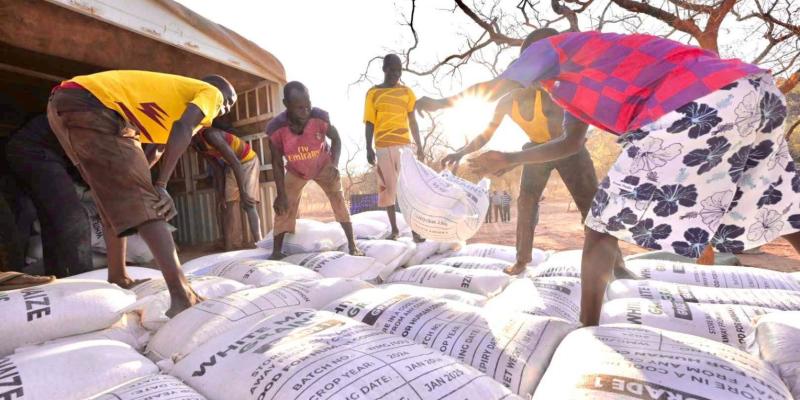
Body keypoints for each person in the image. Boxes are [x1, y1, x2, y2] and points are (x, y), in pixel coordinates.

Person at [417, 29, 800, 326]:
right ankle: (582, 292)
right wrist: (512, 158)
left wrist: (440, 103)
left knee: (601, 220)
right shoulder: (582, 76)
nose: (533, 80)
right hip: (755, 91)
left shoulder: (553, 48)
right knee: (780, 206)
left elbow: (501, 86)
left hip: (699, 99)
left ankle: (587, 328)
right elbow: (569, 143)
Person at [47, 70, 237, 317]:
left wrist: (139, 185)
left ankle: (118, 276)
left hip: (63, 106)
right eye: (229, 99)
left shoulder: (167, 108)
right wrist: (158, 186)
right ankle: (183, 295)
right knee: (148, 202)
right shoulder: (208, 94)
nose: (227, 107)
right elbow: (182, 128)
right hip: (92, 104)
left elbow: (156, 150)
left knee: (112, 198)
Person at [442, 30, 598, 274]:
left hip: (567, 149)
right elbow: (485, 135)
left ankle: (613, 263)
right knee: (526, 201)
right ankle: (522, 259)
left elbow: (566, 141)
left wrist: (512, 160)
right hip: (536, 149)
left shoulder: (553, 95)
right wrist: (461, 151)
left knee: (591, 206)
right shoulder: (506, 102)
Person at [267, 81, 362, 260]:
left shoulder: (319, 118)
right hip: (296, 170)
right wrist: (280, 193)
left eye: (308, 105)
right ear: (286, 105)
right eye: (299, 108)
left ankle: (352, 244)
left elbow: (337, 138)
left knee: (338, 200)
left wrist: (334, 164)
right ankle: (276, 251)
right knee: (283, 206)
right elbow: (276, 163)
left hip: (323, 166)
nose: (305, 111)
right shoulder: (276, 129)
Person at [5, 115, 94, 277]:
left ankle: (59, 281)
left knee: (39, 216)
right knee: (72, 221)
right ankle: (77, 285)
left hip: (56, 154)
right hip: (34, 148)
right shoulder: (113, 118)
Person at [364, 54, 425, 241]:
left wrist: (419, 146)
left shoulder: (407, 93)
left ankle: (415, 231)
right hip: (382, 146)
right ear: (384, 69)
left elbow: (413, 121)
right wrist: (368, 147)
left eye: (399, 70)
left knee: (408, 189)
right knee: (388, 189)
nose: (395, 74)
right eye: (392, 70)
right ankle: (395, 230)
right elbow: (369, 123)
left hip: (404, 146)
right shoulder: (373, 93)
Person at [192, 126, 262, 250]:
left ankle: (259, 244)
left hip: (247, 160)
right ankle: (228, 248)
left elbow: (236, 163)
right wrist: (221, 195)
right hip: (231, 165)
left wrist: (243, 192)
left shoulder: (210, 134)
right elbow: (217, 169)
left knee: (248, 204)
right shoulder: (196, 145)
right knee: (227, 206)